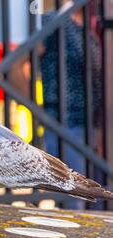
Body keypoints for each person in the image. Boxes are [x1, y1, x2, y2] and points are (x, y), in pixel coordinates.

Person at [10, 1, 104, 210]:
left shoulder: (94, 24)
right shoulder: (54, 21)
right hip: (65, 124)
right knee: (74, 201)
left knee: (98, 201)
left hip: (94, 126)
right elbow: (14, 67)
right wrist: (39, 111)